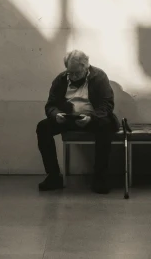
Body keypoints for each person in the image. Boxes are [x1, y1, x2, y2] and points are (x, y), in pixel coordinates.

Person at [36, 50, 119, 194]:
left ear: (86, 68)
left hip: (93, 118)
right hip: (68, 118)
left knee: (105, 126)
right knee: (43, 127)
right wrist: (56, 115)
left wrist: (91, 118)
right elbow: (50, 105)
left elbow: (107, 104)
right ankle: (54, 176)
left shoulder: (99, 76)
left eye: (77, 73)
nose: (73, 77)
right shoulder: (61, 79)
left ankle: (100, 177)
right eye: (70, 73)